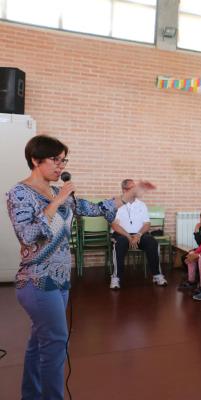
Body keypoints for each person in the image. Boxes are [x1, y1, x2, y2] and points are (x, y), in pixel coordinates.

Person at [6, 135, 135, 400]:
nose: (60, 166)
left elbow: (91, 208)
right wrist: (57, 202)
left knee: (38, 344)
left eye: (63, 160)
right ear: (34, 159)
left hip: (61, 279)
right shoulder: (19, 193)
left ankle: (30, 395)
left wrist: (124, 198)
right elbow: (28, 235)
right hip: (37, 281)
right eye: (55, 160)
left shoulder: (57, 191)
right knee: (54, 344)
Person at [110, 178, 168, 290]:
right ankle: (116, 278)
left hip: (139, 235)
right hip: (122, 235)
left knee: (152, 242)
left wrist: (138, 235)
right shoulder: (116, 203)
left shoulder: (142, 205)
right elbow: (114, 226)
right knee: (120, 243)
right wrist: (128, 236)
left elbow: (147, 224)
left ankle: (157, 275)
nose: (136, 190)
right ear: (124, 190)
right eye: (133, 188)